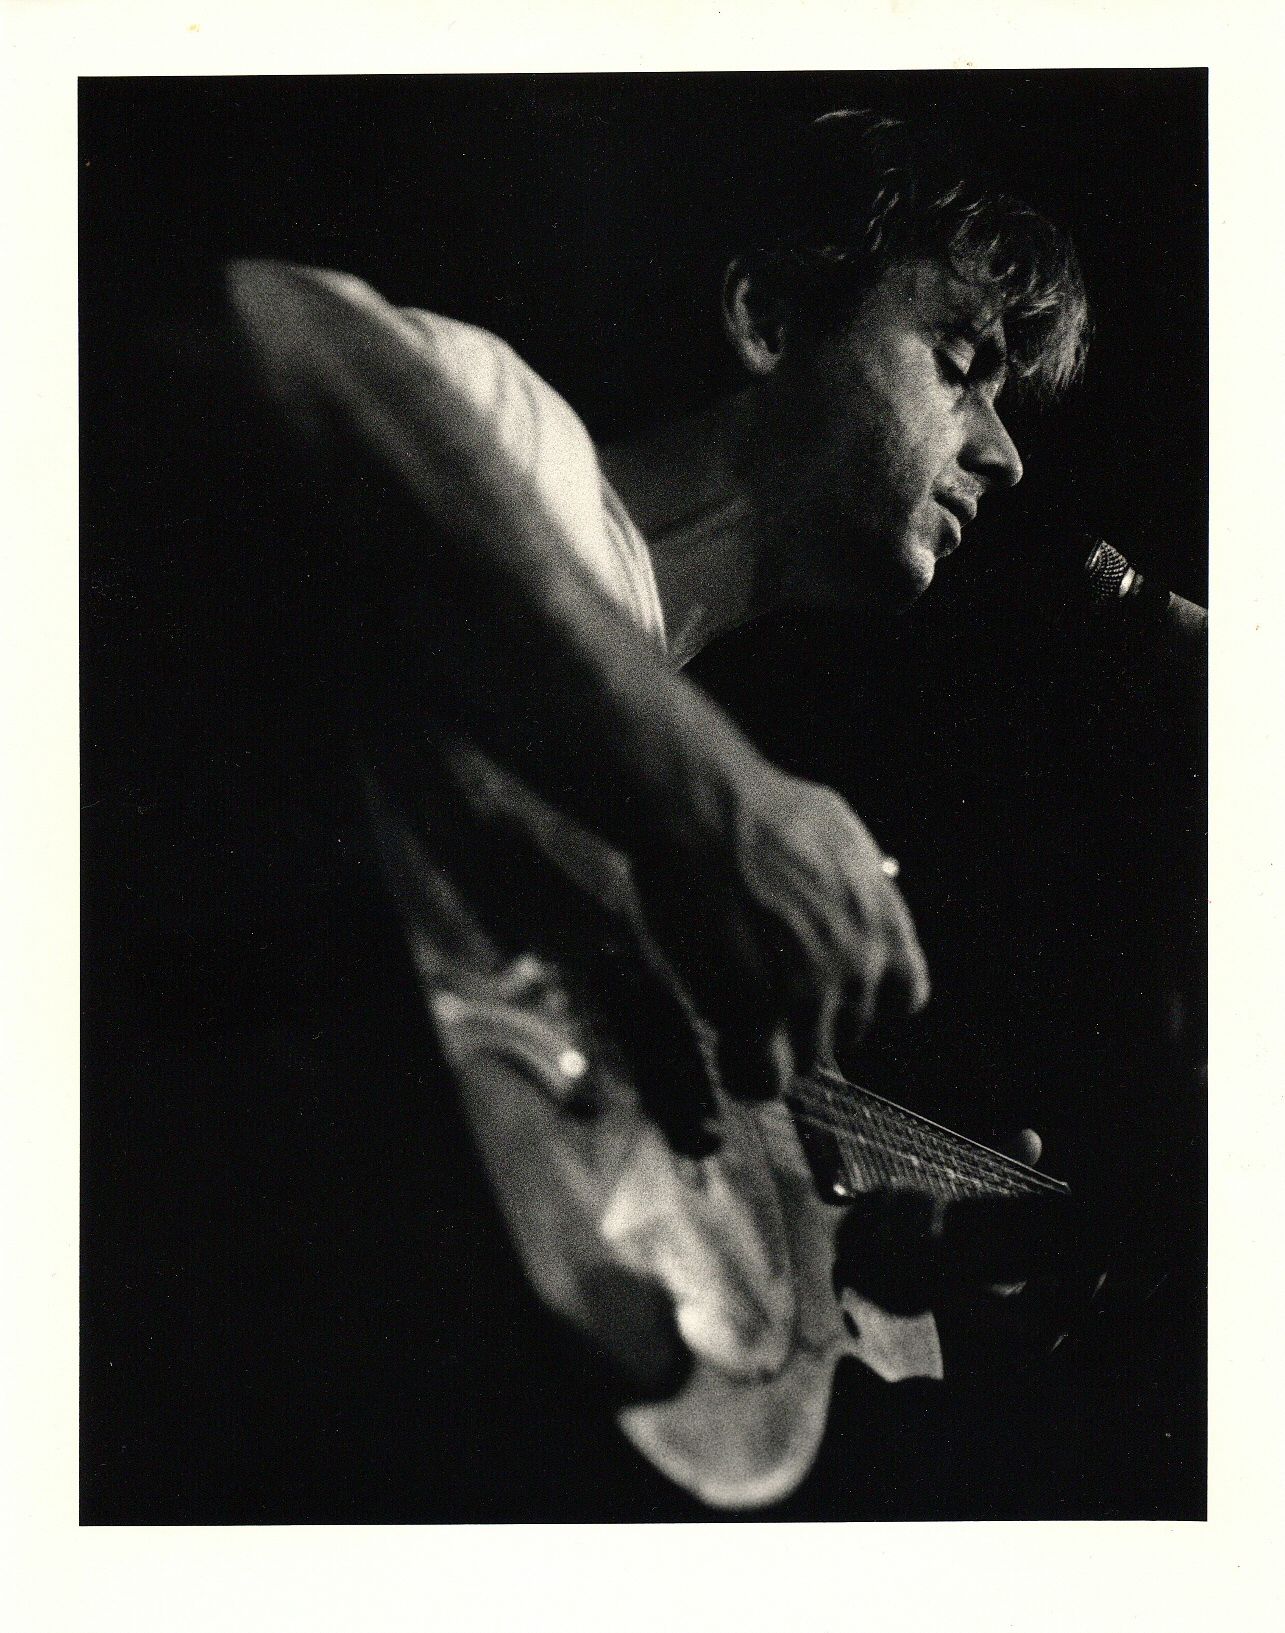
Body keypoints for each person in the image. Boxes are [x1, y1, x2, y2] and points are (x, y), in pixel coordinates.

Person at [84, 108, 1159, 1522]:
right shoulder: (521, 440)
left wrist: (843, 1253)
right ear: (768, 317)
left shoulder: (655, 799)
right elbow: (259, 330)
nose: (1005, 456)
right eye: (961, 366)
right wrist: (715, 793)